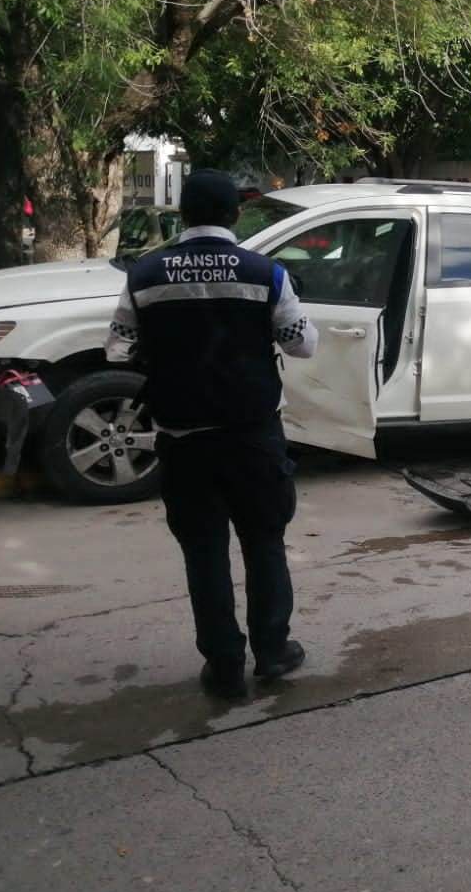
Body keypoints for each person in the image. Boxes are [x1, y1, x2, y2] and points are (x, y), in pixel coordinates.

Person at [104, 169, 319, 698]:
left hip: (183, 437)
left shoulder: (144, 275)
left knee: (204, 552)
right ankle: (272, 652)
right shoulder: (266, 272)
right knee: (264, 542)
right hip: (252, 435)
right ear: (235, 215)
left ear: (182, 214)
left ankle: (223, 666)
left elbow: (118, 348)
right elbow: (302, 344)